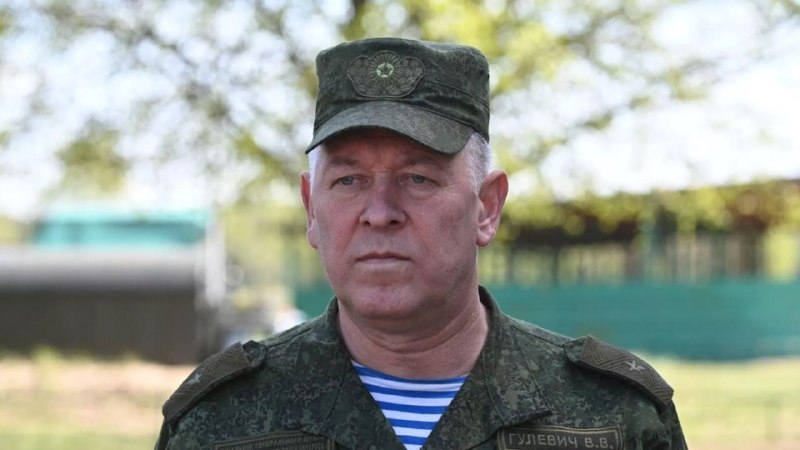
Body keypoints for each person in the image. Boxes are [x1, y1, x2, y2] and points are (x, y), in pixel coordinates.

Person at [155, 37, 687, 450]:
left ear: (486, 207)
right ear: (311, 209)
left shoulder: (615, 418)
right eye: (349, 180)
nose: (379, 213)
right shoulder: (216, 422)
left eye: (418, 178)